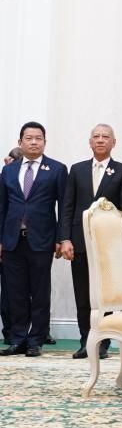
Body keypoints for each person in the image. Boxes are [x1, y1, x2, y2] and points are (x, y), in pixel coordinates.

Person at [58, 124, 122, 359]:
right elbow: (67, 207)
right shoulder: (76, 170)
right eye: (96, 137)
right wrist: (65, 238)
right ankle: (86, 340)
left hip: (108, 245)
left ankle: (104, 342)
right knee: (83, 294)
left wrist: (119, 238)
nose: (100, 140)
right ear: (90, 142)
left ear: (113, 142)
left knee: (106, 295)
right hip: (79, 241)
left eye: (105, 137)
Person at [0, 122, 68, 357]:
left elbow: (64, 207)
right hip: (12, 240)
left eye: (38, 138)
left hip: (42, 240)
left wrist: (62, 238)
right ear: (20, 142)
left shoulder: (57, 169)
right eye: (28, 138)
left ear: (44, 142)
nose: (33, 142)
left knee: (40, 291)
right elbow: (2, 206)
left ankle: (36, 339)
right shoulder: (8, 171)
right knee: (15, 291)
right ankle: (18, 338)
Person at [1, 147, 23, 344]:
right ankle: (9, 331)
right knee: (9, 290)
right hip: (7, 239)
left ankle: (17, 332)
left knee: (17, 289)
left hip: (16, 239)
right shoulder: (5, 176)